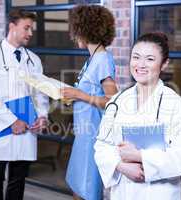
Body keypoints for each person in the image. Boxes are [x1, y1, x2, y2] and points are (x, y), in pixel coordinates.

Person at [94, 32, 181, 200]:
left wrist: (140, 157)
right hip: (123, 192)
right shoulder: (118, 101)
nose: (140, 65)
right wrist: (120, 165)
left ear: (164, 64)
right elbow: (101, 146)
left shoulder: (177, 106)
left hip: (159, 193)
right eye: (136, 57)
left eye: (150, 59)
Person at [0, 9, 49, 200]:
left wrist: (43, 116)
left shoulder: (34, 60)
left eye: (31, 28)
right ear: (12, 26)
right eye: (26, 28)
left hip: (26, 131)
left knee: (17, 183)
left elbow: (40, 94)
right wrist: (11, 122)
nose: (30, 33)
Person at [60, 4, 118, 200]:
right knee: (78, 189)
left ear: (84, 30)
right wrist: (73, 96)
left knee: (86, 192)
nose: (72, 36)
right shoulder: (93, 59)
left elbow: (112, 100)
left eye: (74, 31)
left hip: (93, 138)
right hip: (84, 135)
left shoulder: (102, 59)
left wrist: (80, 95)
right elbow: (87, 93)